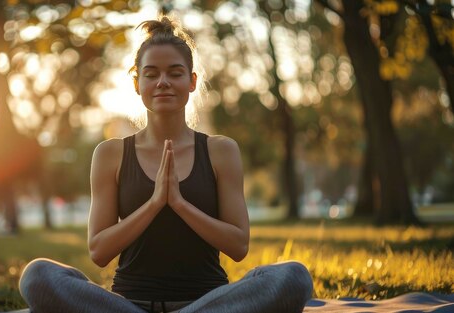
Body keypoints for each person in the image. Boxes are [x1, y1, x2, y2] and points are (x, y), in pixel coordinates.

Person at [18, 15, 313, 313]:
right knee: (38, 275)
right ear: (137, 83)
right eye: (151, 74)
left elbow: (238, 246)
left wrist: (180, 204)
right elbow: (98, 250)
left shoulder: (221, 150)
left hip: (207, 304)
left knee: (293, 277)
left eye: (175, 73)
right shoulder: (111, 154)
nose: (162, 82)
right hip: (130, 305)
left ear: (192, 81)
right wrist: (156, 203)